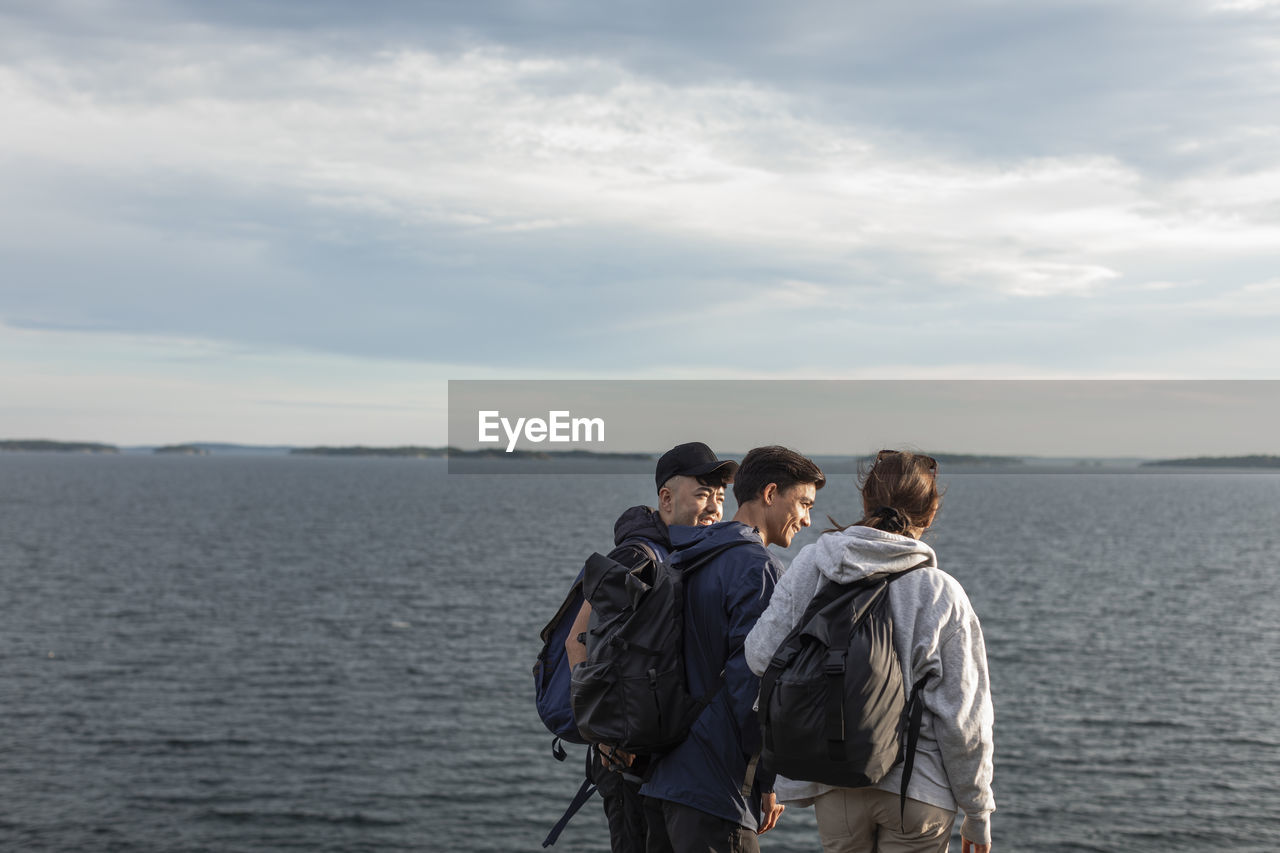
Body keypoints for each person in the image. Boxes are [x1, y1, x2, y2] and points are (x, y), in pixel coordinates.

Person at [744, 450, 995, 853]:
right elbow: (963, 719)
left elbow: (759, 656)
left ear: (866, 502)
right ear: (929, 516)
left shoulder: (814, 564)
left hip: (834, 782)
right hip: (918, 790)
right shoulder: (939, 591)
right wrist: (978, 811)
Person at [641, 445, 826, 853]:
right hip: (716, 789)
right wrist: (766, 779)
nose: (808, 519)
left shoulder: (686, 555)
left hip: (664, 779)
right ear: (771, 493)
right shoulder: (756, 569)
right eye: (803, 503)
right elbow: (753, 683)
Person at [565, 441, 739, 853]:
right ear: (666, 498)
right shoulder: (638, 556)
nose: (714, 508)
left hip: (669, 756)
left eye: (719, 497)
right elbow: (578, 641)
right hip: (629, 761)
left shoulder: (690, 553)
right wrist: (604, 735)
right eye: (702, 495)